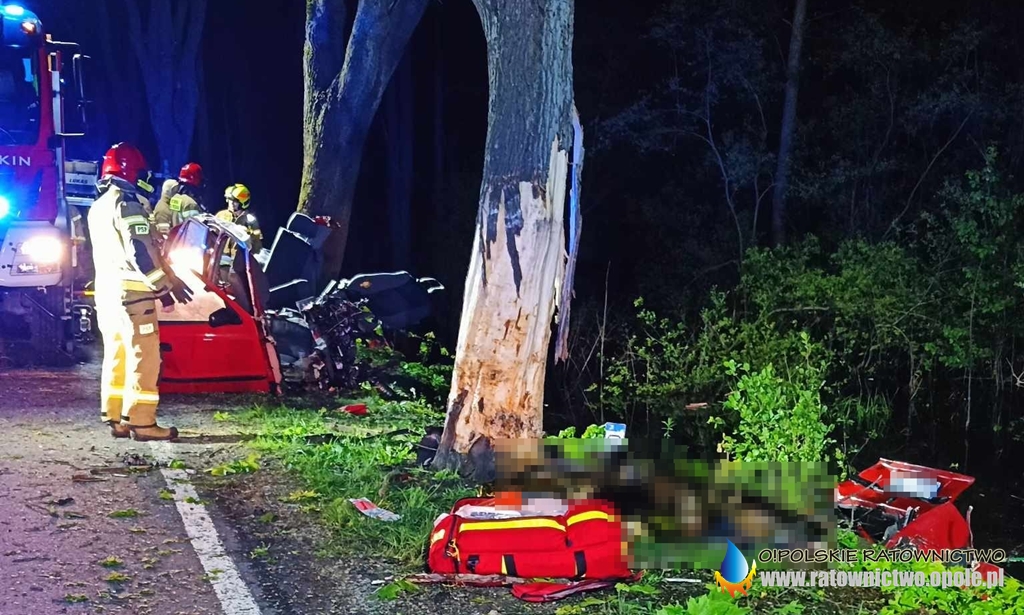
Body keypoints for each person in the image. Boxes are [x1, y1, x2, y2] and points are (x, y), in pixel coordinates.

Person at [88, 143, 193, 442]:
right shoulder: (128, 204)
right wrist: (165, 288)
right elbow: (140, 252)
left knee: (117, 354)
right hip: (134, 296)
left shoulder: (99, 205)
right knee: (145, 358)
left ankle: (117, 418)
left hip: (107, 295)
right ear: (131, 171)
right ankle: (143, 423)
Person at [216, 183, 263, 253]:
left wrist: (248, 233)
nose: (231, 203)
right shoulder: (221, 215)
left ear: (242, 203)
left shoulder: (250, 221)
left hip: (237, 258)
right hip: (219, 254)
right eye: (230, 199)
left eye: (235, 201)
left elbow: (257, 246)